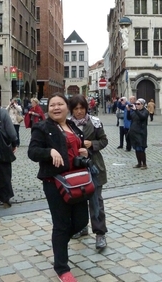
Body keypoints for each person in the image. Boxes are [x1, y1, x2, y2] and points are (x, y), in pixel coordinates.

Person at [28, 93, 90, 282]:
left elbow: (78, 146)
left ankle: (59, 242)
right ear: (48, 109)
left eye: (60, 104)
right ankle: (62, 268)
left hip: (77, 180)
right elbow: (32, 152)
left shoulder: (71, 125)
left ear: (67, 107)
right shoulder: (42, 127)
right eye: (52, 105)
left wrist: (85, 150)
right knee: (61, 225)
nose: (56, 108)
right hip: (56, 183)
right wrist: (49, 151)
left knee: (81, 221)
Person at [68, 95, 108, 250]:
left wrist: (92, 144)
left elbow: (104, 141)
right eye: (76, 108)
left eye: (82, 108)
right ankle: (82, 227)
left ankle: (100, 234)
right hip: (76, 168)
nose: (79, 111)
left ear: (86, 108)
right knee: (78, 201)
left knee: (96, 201)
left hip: (94, 167)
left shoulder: (95, 122)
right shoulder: (67, 124)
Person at [127, 98, 149, 169]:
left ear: (142, 105)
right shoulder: (134, 112)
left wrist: (136, 110)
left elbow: (142, 117)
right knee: (136, 148)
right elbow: (129, 118)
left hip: (141, 133)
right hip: (134, 133)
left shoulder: (145, 111)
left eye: (138, 104)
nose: (136, 105)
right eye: (136, 104)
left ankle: (144, 164)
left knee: (141, 148)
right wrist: (128, 111)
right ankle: (139, 163)